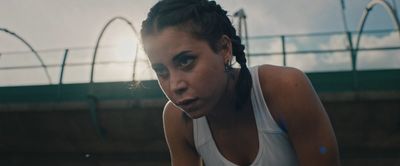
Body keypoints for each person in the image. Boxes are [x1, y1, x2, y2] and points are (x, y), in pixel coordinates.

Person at [140, 0, 340, 165]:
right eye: (161, 71)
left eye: (186, 61)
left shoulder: (286, 88)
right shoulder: (177, 118)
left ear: (225, 49)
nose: (175, 85)